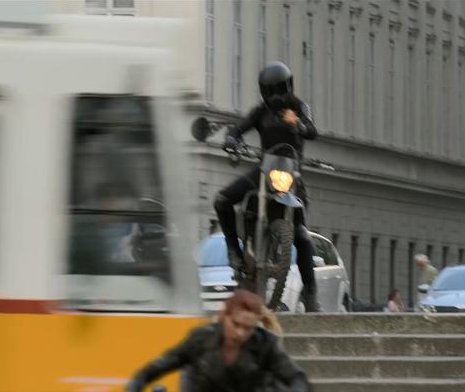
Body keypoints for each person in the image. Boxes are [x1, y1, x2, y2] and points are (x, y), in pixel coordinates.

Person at [213, 62, 320, 312]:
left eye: (280, 90)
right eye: (271, 91)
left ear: (289, 87)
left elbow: (313, 131)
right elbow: (239, 128)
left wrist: (300, 125)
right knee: (222, 200)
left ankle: (311, 295)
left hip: (291, 175)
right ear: (264, 92)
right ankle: (234, 251)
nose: (276, 96)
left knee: (302, 237)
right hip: (264, 170)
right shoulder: (260, 112)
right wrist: (232, 139)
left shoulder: (299, 108)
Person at [125, 290, 309, 392]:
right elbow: (154, 369)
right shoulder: (200, 339)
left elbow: (297, 378)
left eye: (248, 328)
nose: (240, 333)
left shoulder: (265, 345)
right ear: (224, 316)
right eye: (235, 324)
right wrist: (135, 385)